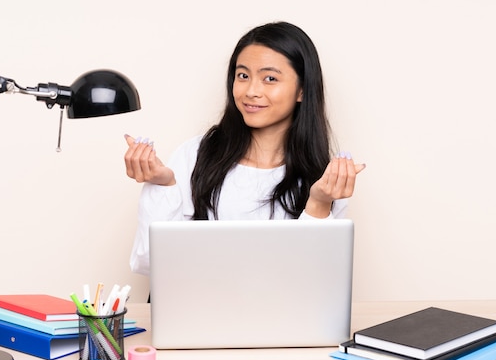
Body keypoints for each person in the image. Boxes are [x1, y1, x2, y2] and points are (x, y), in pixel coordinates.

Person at [124, 21, 365, 275]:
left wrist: (318, 203)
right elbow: (149, 264)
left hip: (281, 314)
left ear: (302, 90)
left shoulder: (324, 178)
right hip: (203, 311)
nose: (251, 91)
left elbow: (315, 280)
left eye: (270, 78)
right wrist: (163, 186)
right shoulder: (194, 155)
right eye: (243, 76)